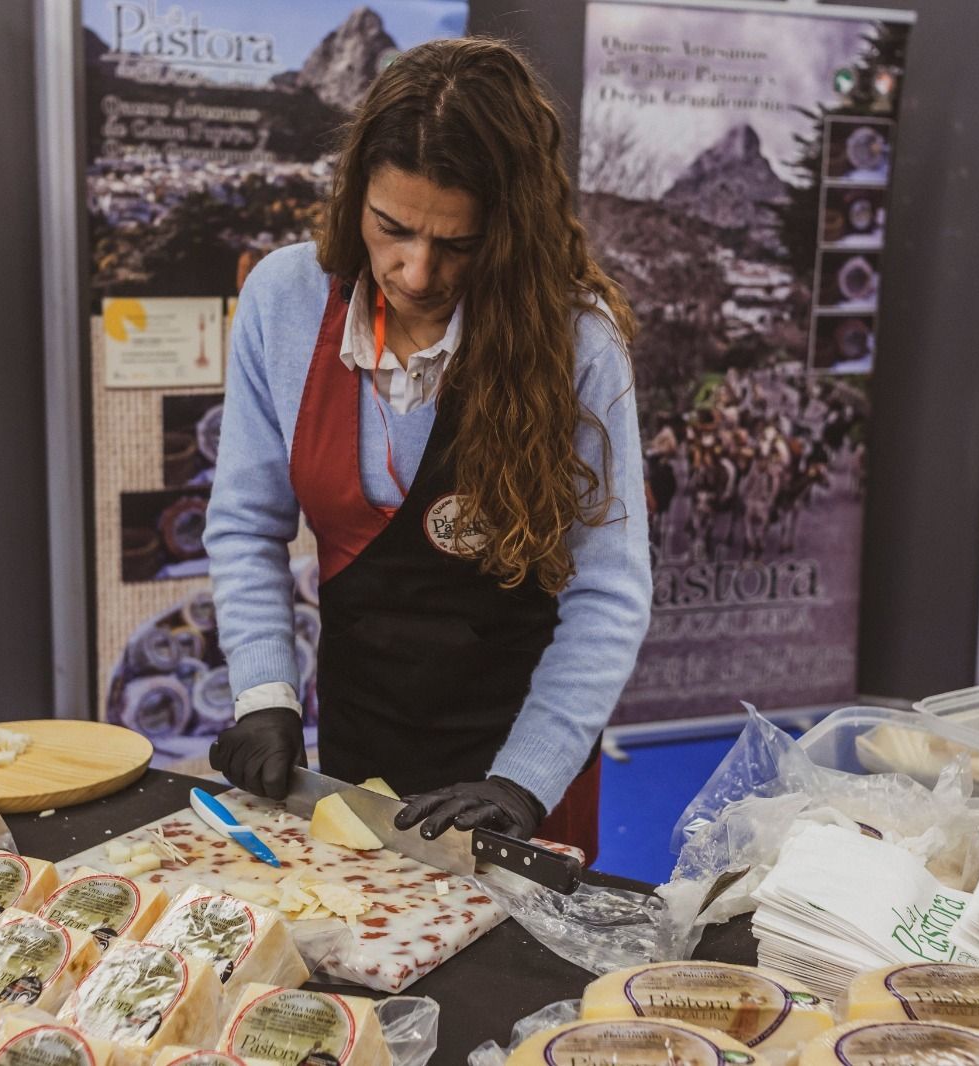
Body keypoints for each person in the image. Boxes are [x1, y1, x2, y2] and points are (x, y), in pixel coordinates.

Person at [203, 37, 652, 862]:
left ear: (510, 229)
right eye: (392, 229)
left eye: (458, 244)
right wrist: (264, 692)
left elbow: (610, 590)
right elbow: (244, 525)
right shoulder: (286, 299)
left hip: (520, 748)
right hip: (359, 730)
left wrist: (525, 778)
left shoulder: (575, 338)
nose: (415, 271)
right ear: (355, 201)